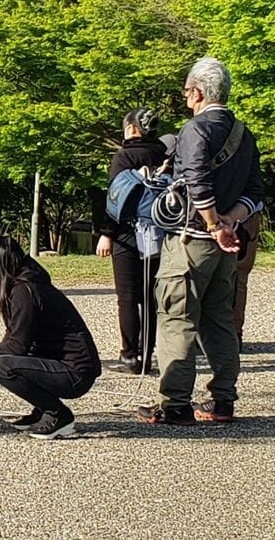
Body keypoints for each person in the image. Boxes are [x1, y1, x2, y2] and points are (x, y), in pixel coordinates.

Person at [136, 57, 264, 425]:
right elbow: (255, 190)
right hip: (228, 246)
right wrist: (231, 220)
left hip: (194, 240)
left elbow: (195, 180)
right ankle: (222, 400)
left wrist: (213, 224)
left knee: (176, 319)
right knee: (219, 320)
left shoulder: (195, 130)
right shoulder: (244, 132)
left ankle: (175, 403)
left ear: (197, 92)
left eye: (187, 91)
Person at [0, 236, 102, 440]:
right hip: (66, 365)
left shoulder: (24, 291)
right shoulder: (25, 284)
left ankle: (58, 415)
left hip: (75, 373)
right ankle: (42, 410)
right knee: (1, 361)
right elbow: (18, 337)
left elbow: (16, 347)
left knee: (3, 366)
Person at [96, 108, 168, 375]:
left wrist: (106, 233)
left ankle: (129, 357)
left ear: (132, 129)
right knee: (151, 298)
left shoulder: (123, 157)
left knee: (127, 298)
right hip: (159, 231)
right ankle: (148, 355)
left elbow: (115, 199)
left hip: (126, 234)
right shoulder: (165, 155)